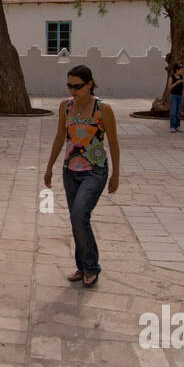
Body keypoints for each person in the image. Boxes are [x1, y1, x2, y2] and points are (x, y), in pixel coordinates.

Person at [43, 65, 120, 288]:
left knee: (79, 216)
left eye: (77, 86)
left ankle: (92, 266)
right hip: (70, 171)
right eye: (69, 85)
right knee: (77, 220)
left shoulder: (103, 109)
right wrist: (49, 167)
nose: (73, 90)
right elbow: (60, 137)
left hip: (95, 171)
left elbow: (113, 141)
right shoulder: (65, 107)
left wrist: (115, 173)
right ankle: (83, 266)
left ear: (89, 84)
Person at [168, 63, 184, 132]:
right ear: (177, 70)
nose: (181, 71)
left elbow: (183, 87)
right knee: (173, 112)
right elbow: (169, 87)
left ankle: (177, 126)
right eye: (180, 70)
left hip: (180, 96)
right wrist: (176, 83)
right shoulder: (171, 77)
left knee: (178, 112)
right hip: (173, 96)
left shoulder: (182, 77)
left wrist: (183, 96)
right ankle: (172, 126)